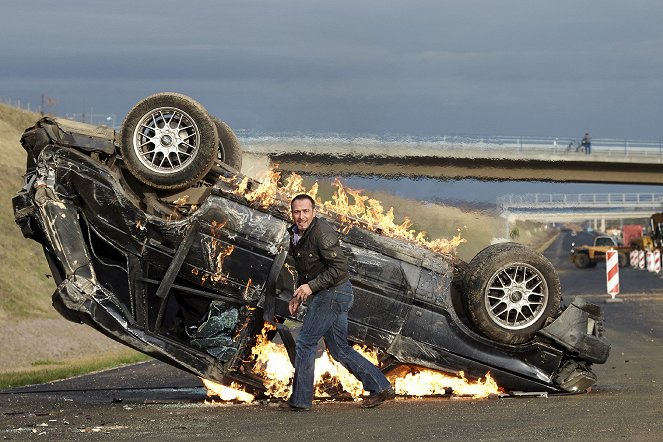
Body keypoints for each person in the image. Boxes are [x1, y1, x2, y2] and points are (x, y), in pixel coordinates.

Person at [282, 194, 395, 411]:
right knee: (339, 348)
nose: (301, 216)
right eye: (297, 211)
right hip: (329, 294)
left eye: (306, 211)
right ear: (292, 213)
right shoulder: (297, 234)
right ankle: (380, 386)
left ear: (314, 212)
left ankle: (301, 401)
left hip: (333, 294)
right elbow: (305, 269)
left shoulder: (322, 233)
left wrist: (311, 287)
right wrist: (298, 294)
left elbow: (340, 268)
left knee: (306, 342)